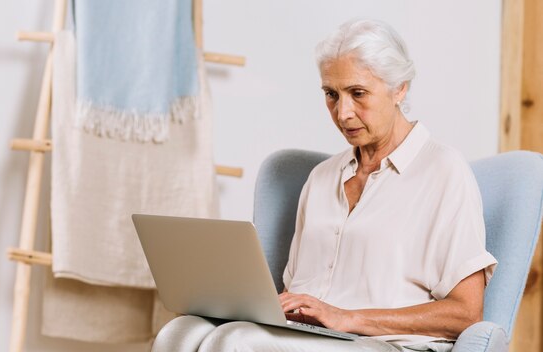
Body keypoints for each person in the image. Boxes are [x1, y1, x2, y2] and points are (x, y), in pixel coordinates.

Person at [152, 19, 497, 352]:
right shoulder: (321, 179)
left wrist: (347, 317)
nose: (342, 112)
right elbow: (295, 291)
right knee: (180, 333)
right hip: (308, 338)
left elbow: (466, 313)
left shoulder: (443, 171)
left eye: (357, 93)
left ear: (399, 88)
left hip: (386, 345)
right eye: (331, 94)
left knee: (236, 343)